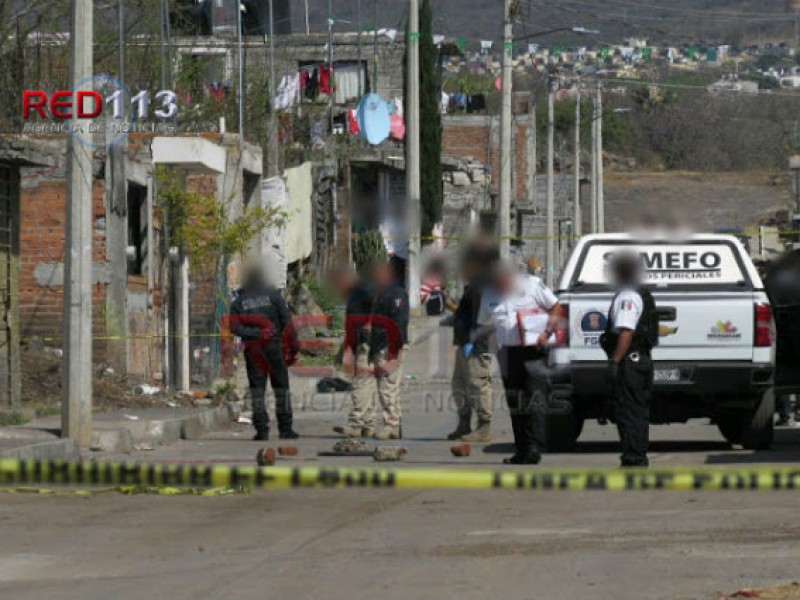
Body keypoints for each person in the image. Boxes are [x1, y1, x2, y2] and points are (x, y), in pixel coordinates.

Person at [475, 262, 562, 464]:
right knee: (515, 401)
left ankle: (534, 448)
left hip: (534, 349)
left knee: (534, 398)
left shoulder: (532, 284)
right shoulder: (488, 293)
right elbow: (485, 324)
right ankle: (521, 449)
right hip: (506, 353)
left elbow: (555, 308)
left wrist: (547, 333)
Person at [333, 262, 409, 440]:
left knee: (387, 387)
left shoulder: (396, 294)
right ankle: (361, 423)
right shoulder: (367, 294)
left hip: (389, 345)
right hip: (370, 344)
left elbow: (399, 323)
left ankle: (392, 426)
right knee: (362, 383)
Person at [600, 252, 658, 467]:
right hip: (638, 360)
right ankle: (636, 456)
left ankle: (633, 457)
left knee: (629, 411)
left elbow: (626, 332)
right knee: (637, 411)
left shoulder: (628, 296)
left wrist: (615, 362)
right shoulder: (638, 292)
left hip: (630, 362)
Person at [230, 265, 299, 441]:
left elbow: (234, 327)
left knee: (257, 390)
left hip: (254, 349)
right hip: (275, 347)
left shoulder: (239, 302)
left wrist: (254, 334)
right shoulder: (274, 297)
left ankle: (262, 430)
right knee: (281, 388)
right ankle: (285, 429)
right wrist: (293, 345)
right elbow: (287, 321)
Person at [447, 246, 496, 442]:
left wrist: (472, 342)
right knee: (459, 384)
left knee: (478, 385)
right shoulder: (473, 285)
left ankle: (484, 427)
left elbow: (481, 318)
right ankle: (464, 423)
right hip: (464, 342)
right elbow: (465, 313)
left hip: (476, 344)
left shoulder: (481, 287)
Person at [330, 266, 376, 438]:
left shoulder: (363, 291)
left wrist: (369, 324)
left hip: (367, 342)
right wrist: (343, 349)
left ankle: (356, 423)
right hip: (361, 342)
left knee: (360, 383)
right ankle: (368, 423)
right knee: (367, 384)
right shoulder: (354, 295)